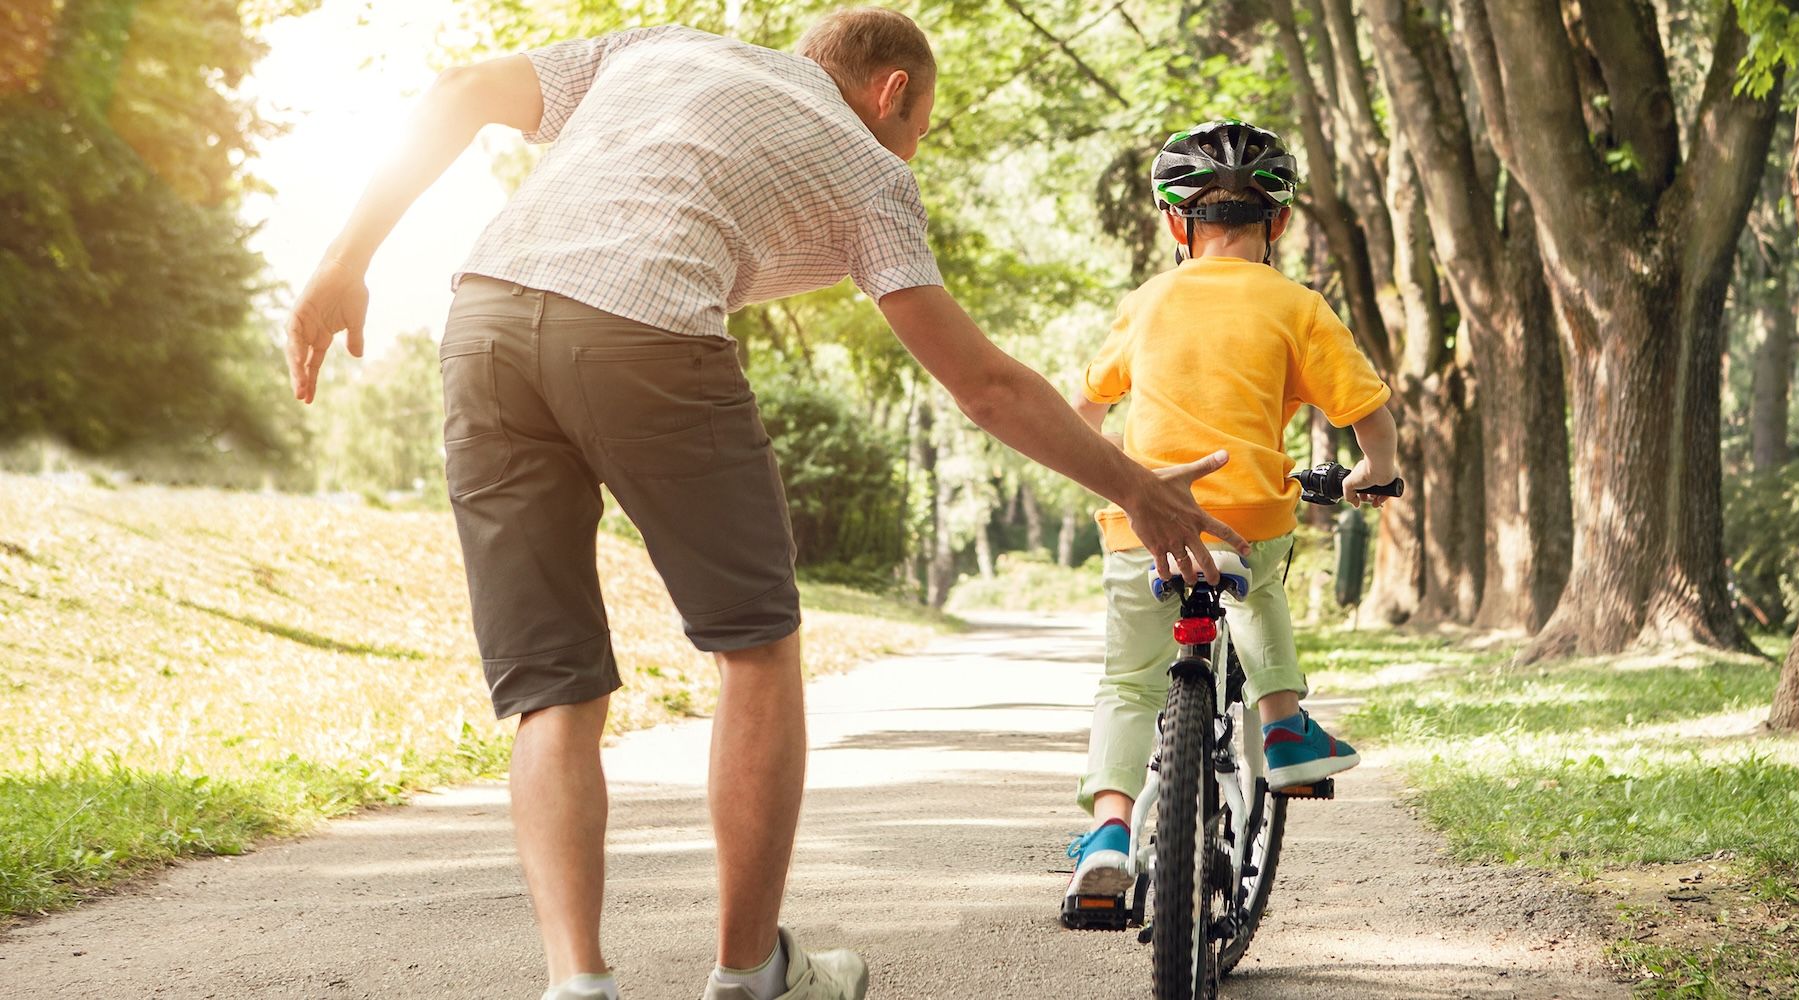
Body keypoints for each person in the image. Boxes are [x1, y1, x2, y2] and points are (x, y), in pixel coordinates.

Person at [283, 10, 1247, 1000]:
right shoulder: (872, 167)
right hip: (645, 333)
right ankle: (750, 973)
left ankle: (577, 982)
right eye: (921, 126)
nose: (912, 148)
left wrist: (343, 259)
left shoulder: (652, 48)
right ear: (893, 93)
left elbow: (455, 94)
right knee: (755, 645)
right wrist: (1136, 487)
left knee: (552, 688)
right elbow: (984, 386)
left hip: (482, 322)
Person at [1060, 119, 1402, 908]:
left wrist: (1108, 481)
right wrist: (1373, 473)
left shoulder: (1146, 301)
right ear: (1277, 222)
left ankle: (1109, 829)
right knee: (1263, 587)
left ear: (1176, 223)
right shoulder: (1296, 304)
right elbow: (1367, 413)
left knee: (1128, 681)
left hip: (1143, 516)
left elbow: (1085, 408)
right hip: (1247, 508)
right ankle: (1282, 723)